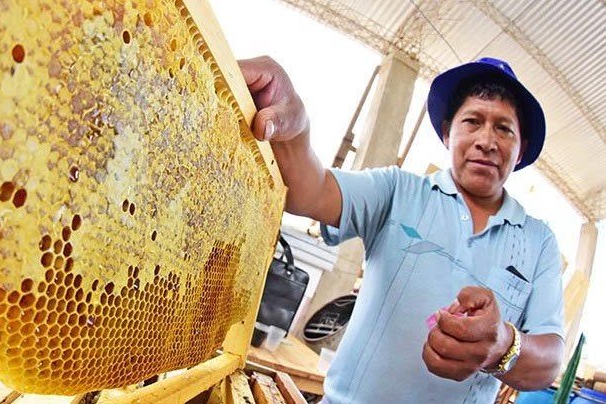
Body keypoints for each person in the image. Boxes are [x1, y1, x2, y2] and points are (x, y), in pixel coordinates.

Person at [240, 56, 565, 403]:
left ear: (521, 150)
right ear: (446, 133)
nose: (486, 140)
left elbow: (550, 361)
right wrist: (296, 132)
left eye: (504, 128)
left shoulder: (538, 241)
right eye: (472, 121)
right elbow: (311, 191)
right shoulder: (398, 191)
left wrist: (502, 345)